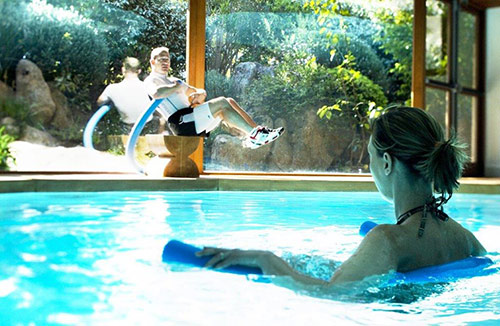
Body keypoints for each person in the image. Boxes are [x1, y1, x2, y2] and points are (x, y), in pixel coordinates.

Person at [196, 106, 486, 286]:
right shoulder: (468, 241)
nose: (370, 167)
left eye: (371, 157)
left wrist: (266, 260)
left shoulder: (388, 240)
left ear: (386, 162)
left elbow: (333, 295)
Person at [143, 47, 284, 149]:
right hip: (181, 122)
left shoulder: (174, 80)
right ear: (152, 62)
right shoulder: (151, 80)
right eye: (161, 59)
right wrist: (176, 87)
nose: (165, 62)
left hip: (191, 118)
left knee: (229, 102)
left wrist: (201, 93)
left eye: (167, 59)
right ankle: (254, 135)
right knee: (222, 102)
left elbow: (195, 90)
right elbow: (156, 94)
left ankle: (255, 133)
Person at [97, 57, 152, 128]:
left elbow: (99, 102)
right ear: (139, 71)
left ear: (123, 70)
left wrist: (113, 100)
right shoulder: (148, 86)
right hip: (148, 123)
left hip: (127, 126)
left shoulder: (112, 89)